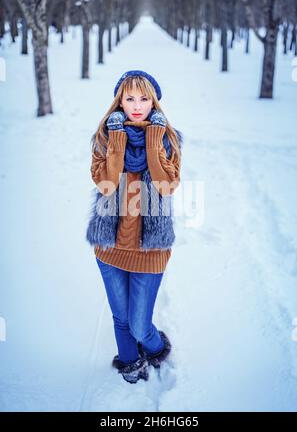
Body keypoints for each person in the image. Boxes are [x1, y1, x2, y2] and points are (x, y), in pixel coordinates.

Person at [86, 70, 183, 384]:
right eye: (130, 98)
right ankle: (130, 363)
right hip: (110, 247)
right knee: (121, 319)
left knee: (140, 325)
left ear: (154, 101)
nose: (137, 105)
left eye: (144, 98)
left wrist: (154, 142)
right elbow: (106, 183)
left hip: (149, 249)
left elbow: (166, 186)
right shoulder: (104, 136)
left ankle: (154, 348)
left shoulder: (168, 139)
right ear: (120, 101)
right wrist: (116, 140)